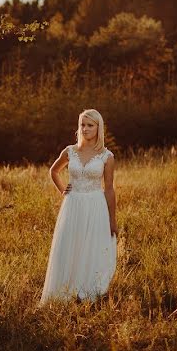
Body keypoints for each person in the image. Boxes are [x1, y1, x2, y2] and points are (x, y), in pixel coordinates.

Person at [39, 109, 117, 304]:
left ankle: (86, 295)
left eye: (90, 125)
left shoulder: (106, 156)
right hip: (72, 205)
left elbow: (109, 190)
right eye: (82, 124)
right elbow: (53, 171)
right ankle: (64, 292)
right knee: (69, 246)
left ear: (98, 128)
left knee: (91, 248)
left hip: (95, 205)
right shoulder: (70, 151)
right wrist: (63, 190)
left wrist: (112, 220)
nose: (85, 128)